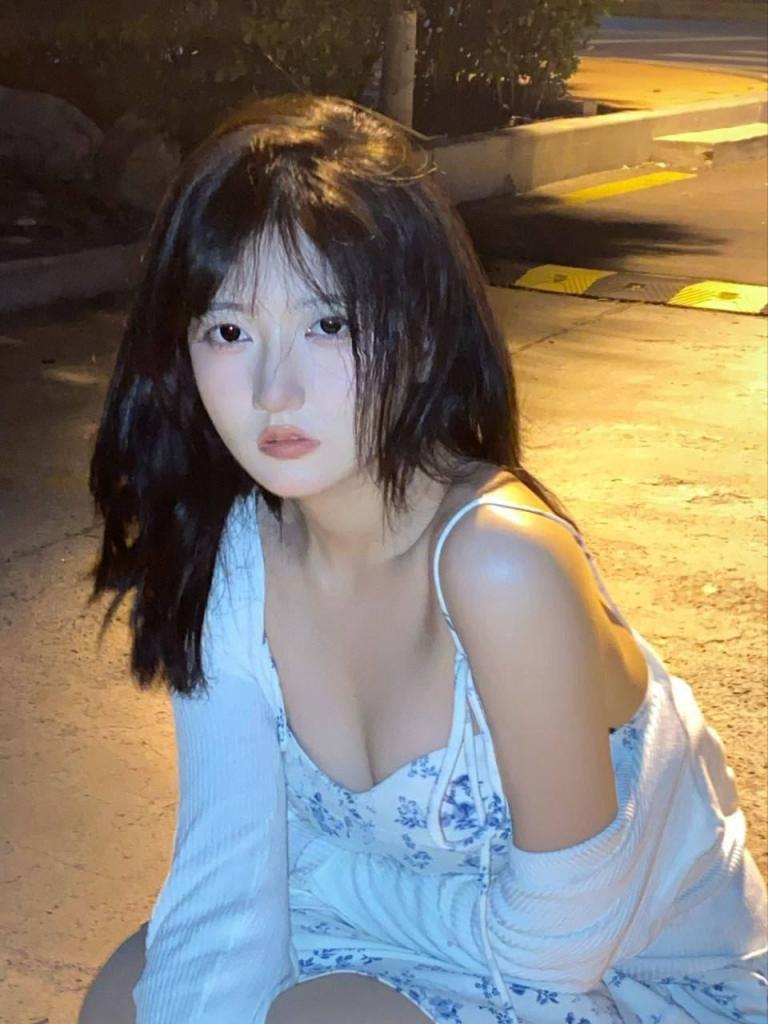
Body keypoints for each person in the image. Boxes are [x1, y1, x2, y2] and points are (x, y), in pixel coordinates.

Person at [79, 93, 767, 1024]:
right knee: (129, 997)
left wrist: (319, 885)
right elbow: (226, 874)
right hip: (386, 932)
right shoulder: (236, 554)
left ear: (425, 331)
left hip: (630, 978)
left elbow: (564, 943)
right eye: (229, 331)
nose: (274, 390)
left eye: (330, 324)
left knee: (322, 1016)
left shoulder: (500, 564)